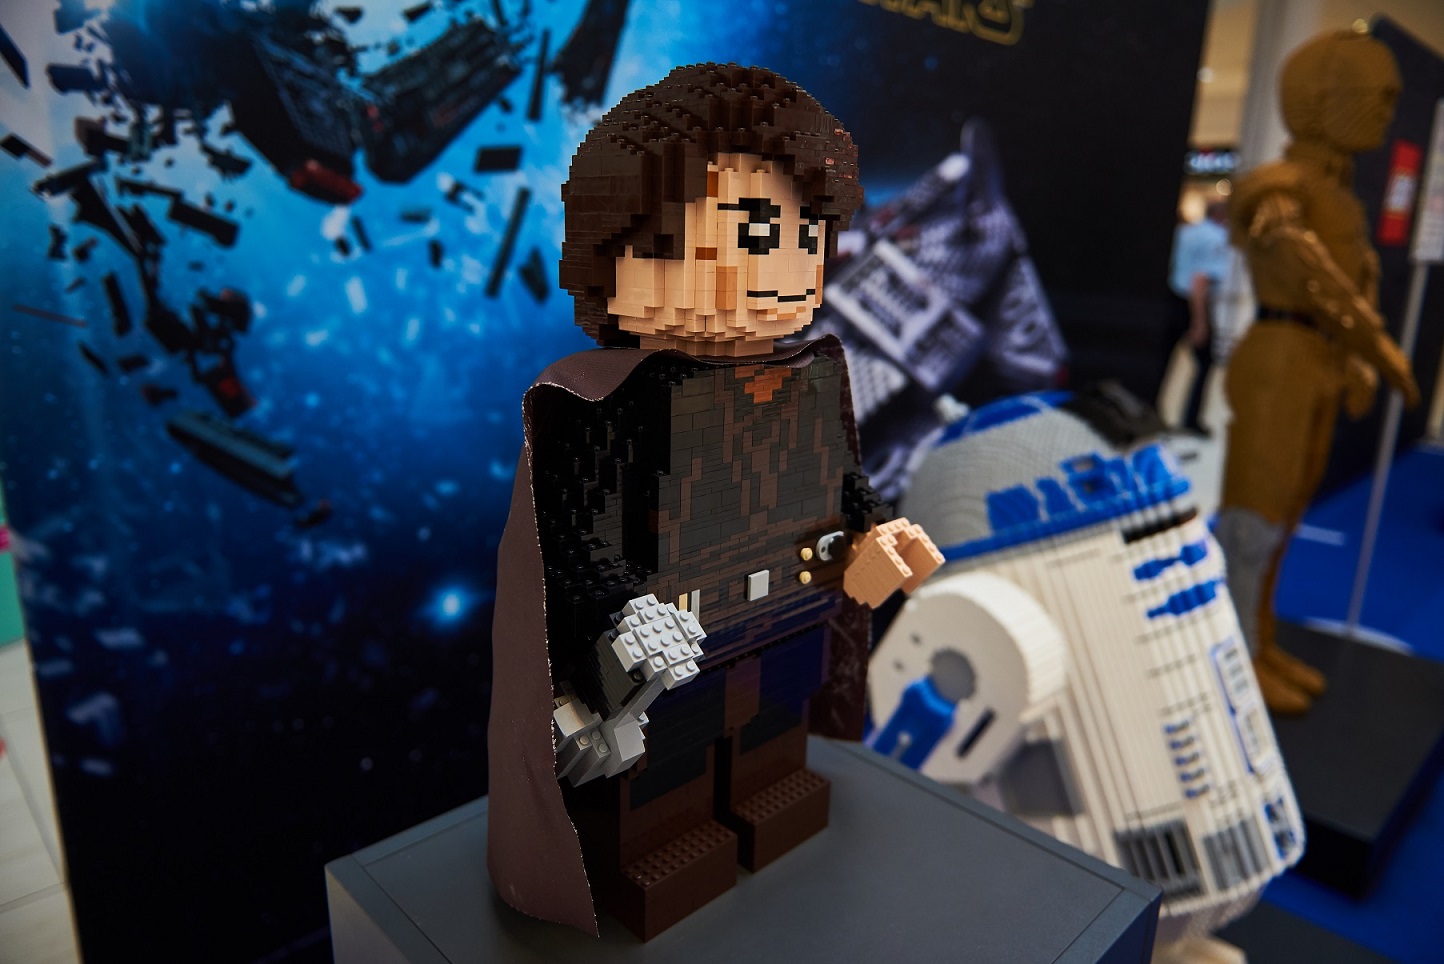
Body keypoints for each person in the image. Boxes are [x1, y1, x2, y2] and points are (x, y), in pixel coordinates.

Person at [486, 63, 942, 939]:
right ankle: (659, 844)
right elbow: (576, 541)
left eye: (806, 232)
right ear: (634, 257)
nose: (792, 261)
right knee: (669, 769)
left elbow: (842, 480)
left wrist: (874, 537)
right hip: (675, 646)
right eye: (759, 231)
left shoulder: (811, 377)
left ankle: (769, 789)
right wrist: (627, 615)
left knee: (772, 730)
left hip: (784, 614)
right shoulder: (599, 404)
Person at [1216, 29, 1419, 715]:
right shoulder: (1278, 187)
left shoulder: (1339, 195)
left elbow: (1346, 277)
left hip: (1318, 363)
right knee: (1254, 520)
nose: (1387, 108)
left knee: (1286, 514)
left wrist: (1355, 357)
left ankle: (1259, 641)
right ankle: (1236, 656)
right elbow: (1305, 264)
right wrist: (1379, 347)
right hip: (1279, 362)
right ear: (1325, 96)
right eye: (1375, 95)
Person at [1164, 199, 1230, 435]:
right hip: (1192, 303)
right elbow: (1199, 281)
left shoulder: (1185, 232)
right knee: (1205, 362)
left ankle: (1151, 410)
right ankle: (1190, 419)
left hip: (1170, 299)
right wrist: (1199, 321)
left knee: (1163, 361)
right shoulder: (1218, 238)